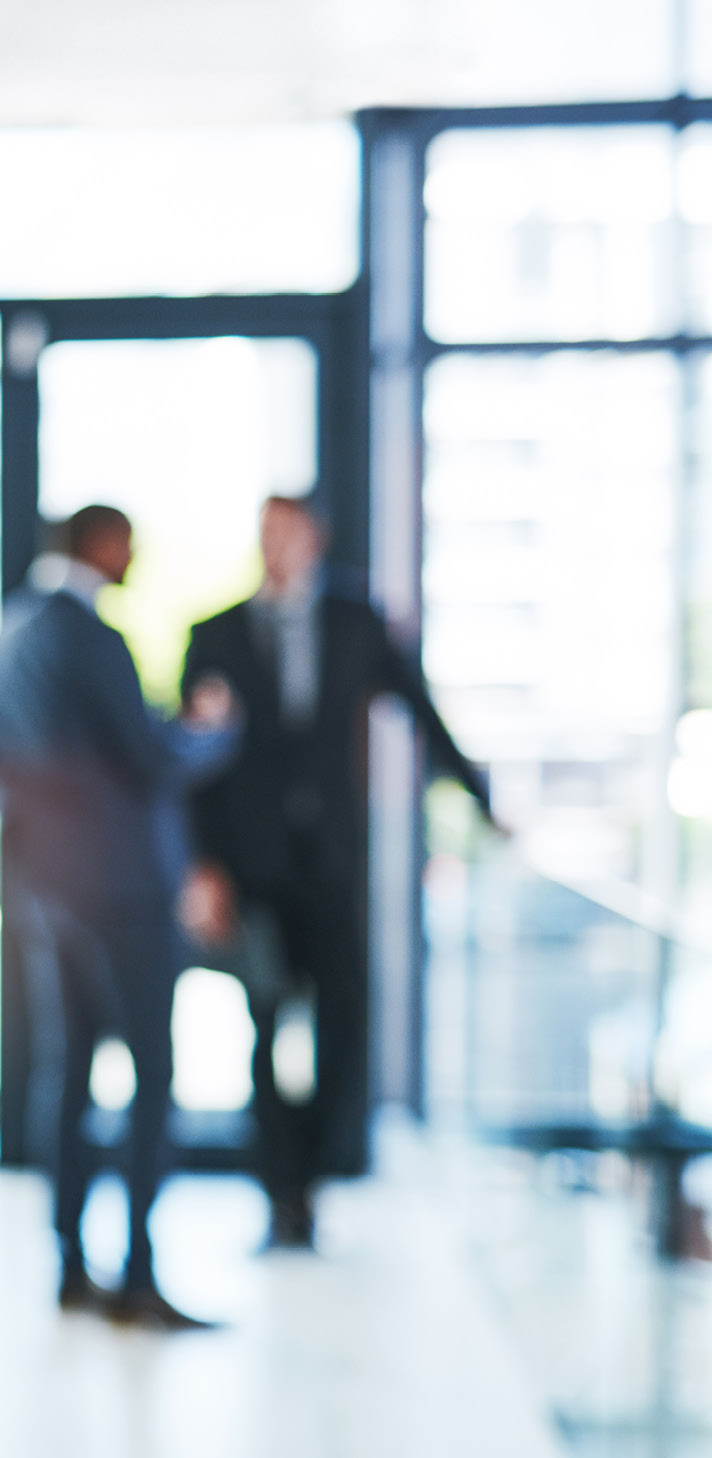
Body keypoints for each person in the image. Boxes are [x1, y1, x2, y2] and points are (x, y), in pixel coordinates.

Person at [180, 494, 492, 1249]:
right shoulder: (214, 634)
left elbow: (419, 711)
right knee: (262, 1028)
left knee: (345, 1020)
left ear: (315, 539)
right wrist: (201, 867)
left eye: (286, 534)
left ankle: (317, 1167)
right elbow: (190, 767)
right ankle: (282, 1192)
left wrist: (481, 799)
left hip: (330, 861)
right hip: (253, 866)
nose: (273, 548)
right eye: (264, 534)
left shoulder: (357, 621)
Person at [0, 504, 236, 1331]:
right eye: (130, 543)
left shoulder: (14, 629)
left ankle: (71, 1266)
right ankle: (140, 1275)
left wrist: (40, 815)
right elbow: (153, 759)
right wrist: (214, 733)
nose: (137, 556)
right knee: (152, 1074)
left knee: (66, 1073)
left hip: (44, 888)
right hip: (121, 888)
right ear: (102, 545)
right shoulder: (91, 635)